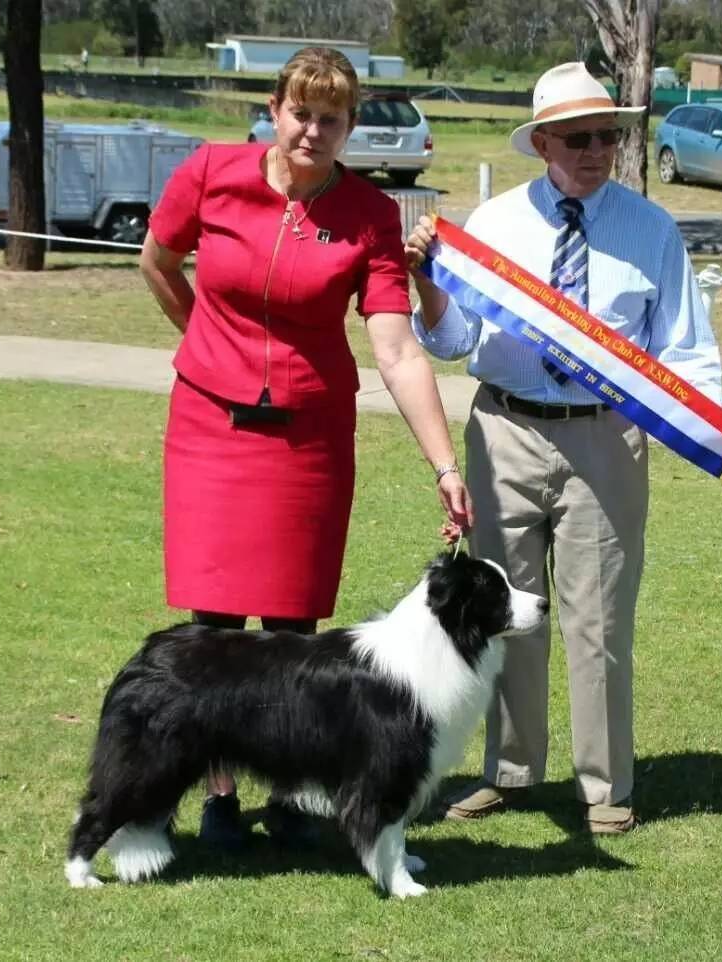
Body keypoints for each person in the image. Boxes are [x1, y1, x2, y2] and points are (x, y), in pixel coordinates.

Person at [404, 63, 722, 834]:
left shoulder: (650, 229)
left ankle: (605, 787)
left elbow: (685, 346)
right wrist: (426, 281)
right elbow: (453, 339)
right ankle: (509, 771)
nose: (597, 150)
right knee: (503, 612)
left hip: (607, 438)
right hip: (505, 429)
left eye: (607, 136)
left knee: (599, 622)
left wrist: (715, 427)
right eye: (578, 139)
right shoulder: (493, 224)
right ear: (542, 144)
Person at [140, 46, 473, 851]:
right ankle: (221, 793)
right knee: (215, 623)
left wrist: (445, 464)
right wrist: (204, 341)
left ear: (350, 126)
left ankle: (289, 789)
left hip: (309, 437)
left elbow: (396, 347)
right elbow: (158, 261)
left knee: (293, 625)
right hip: (210, 426)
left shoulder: (369, 213)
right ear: (274, 110)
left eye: (331, 119)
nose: (312, 131)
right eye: (300, 113)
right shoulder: (211, 173)